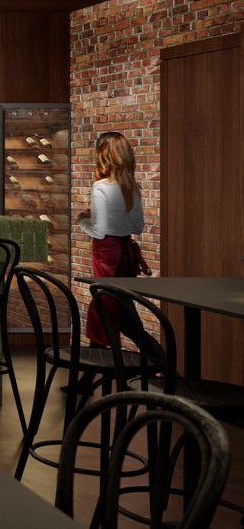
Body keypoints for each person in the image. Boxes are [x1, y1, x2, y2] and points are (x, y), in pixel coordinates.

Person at [77, 131, 159, 359]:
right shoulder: (132, 187)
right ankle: (85, 381)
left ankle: (169, 370)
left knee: (113, 315)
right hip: (126, 256)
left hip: (108, 259)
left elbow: (99, 231)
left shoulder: (101, 187)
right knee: (112, 313)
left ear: (104, 155)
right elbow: (138, 226)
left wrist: (82, 221)